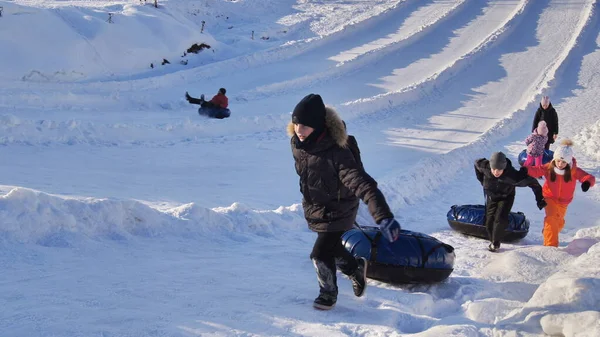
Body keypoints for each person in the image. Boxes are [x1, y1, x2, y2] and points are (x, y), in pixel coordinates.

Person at [287, 93, 401, 310]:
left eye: (306, 125)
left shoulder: (338, 152)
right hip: (316, 208)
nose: (299, 130)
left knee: (320, 254)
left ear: (320, 125)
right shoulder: (298, 143)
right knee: (333, 248)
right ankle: (355, 269)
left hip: (340, 209)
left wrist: (383, 216)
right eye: (296, 123)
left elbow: (362, 183)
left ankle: (328, 294)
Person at [525, 139, 596, 247]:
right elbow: (536, 170)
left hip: (564, 201)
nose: (560, 164)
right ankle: (550, 246)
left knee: (559, 223)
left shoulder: (573, 170)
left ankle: (548, 231)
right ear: (555, 159)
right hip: (549, 197)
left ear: (568, 162)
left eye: (563, 162)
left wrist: (587, 182)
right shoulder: (549, 167)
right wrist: (525, 170)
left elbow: (588, 177)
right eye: (558, 161)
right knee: (551, 218)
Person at [475, 152, 546, 252]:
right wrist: (482, 180)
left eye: (499, 170)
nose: (496, 172)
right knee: (489, 220)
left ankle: (495, 243)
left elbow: (533, 183)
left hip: (506, 197)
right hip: (491, 196)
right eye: (494, 169)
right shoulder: (485, 167)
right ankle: (493, 240)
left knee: (500, 218)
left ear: (504, 168)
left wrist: (540, 199)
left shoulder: (512, 177)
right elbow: (476, 164)